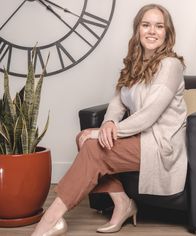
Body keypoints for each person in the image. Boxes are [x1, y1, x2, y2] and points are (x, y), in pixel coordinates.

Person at [31, 3, 187, 236]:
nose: (152, 31)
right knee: (84, 138)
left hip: (159, 144)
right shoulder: (134, 65)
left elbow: (149, 115)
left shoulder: (170, 65)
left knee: (93, 146)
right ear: (137, 30)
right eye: (146, 25)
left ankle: (51, 219)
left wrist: (99, 133)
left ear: (167, 33)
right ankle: (122, 202)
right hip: (138, 137)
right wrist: (107, 124)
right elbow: (117, 103)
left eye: (159, 26)